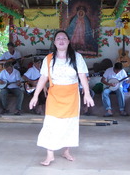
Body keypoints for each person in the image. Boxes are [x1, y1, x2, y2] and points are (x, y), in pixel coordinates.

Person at [29, 30, 94, 166]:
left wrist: (87, 93)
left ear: (69, 41)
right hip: (54, 95)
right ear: (54, 42)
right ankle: (49, 155)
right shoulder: (48, 59)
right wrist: (35, 95)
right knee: (51, 123)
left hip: (72, 96)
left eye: (64, 38)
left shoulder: (77, 57)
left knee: (69, 124)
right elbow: (43, 78)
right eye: (58, 38)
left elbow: (82, 76)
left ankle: (66, 151)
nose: (61, 40)